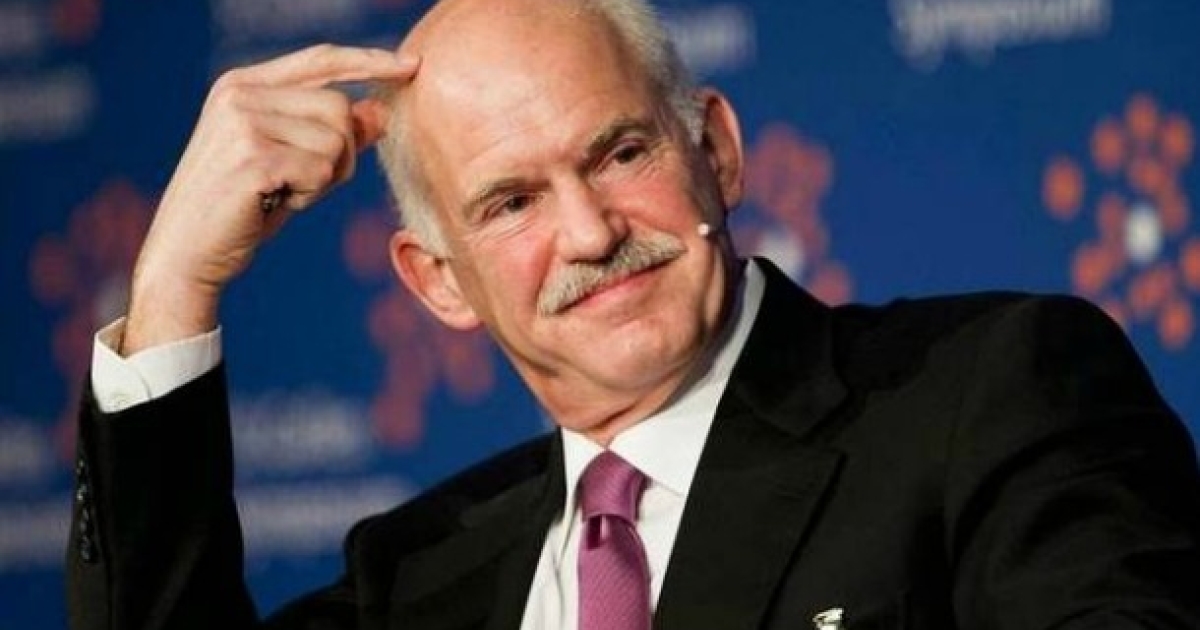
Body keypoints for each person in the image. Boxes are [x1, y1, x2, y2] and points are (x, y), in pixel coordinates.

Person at [66, 0, 1200, 628]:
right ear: (438, 281)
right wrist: (170, 288)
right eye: (511, 203)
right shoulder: (411, 579)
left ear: (717, 151)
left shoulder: (992, 394)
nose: (590, 232)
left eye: (618, 153)